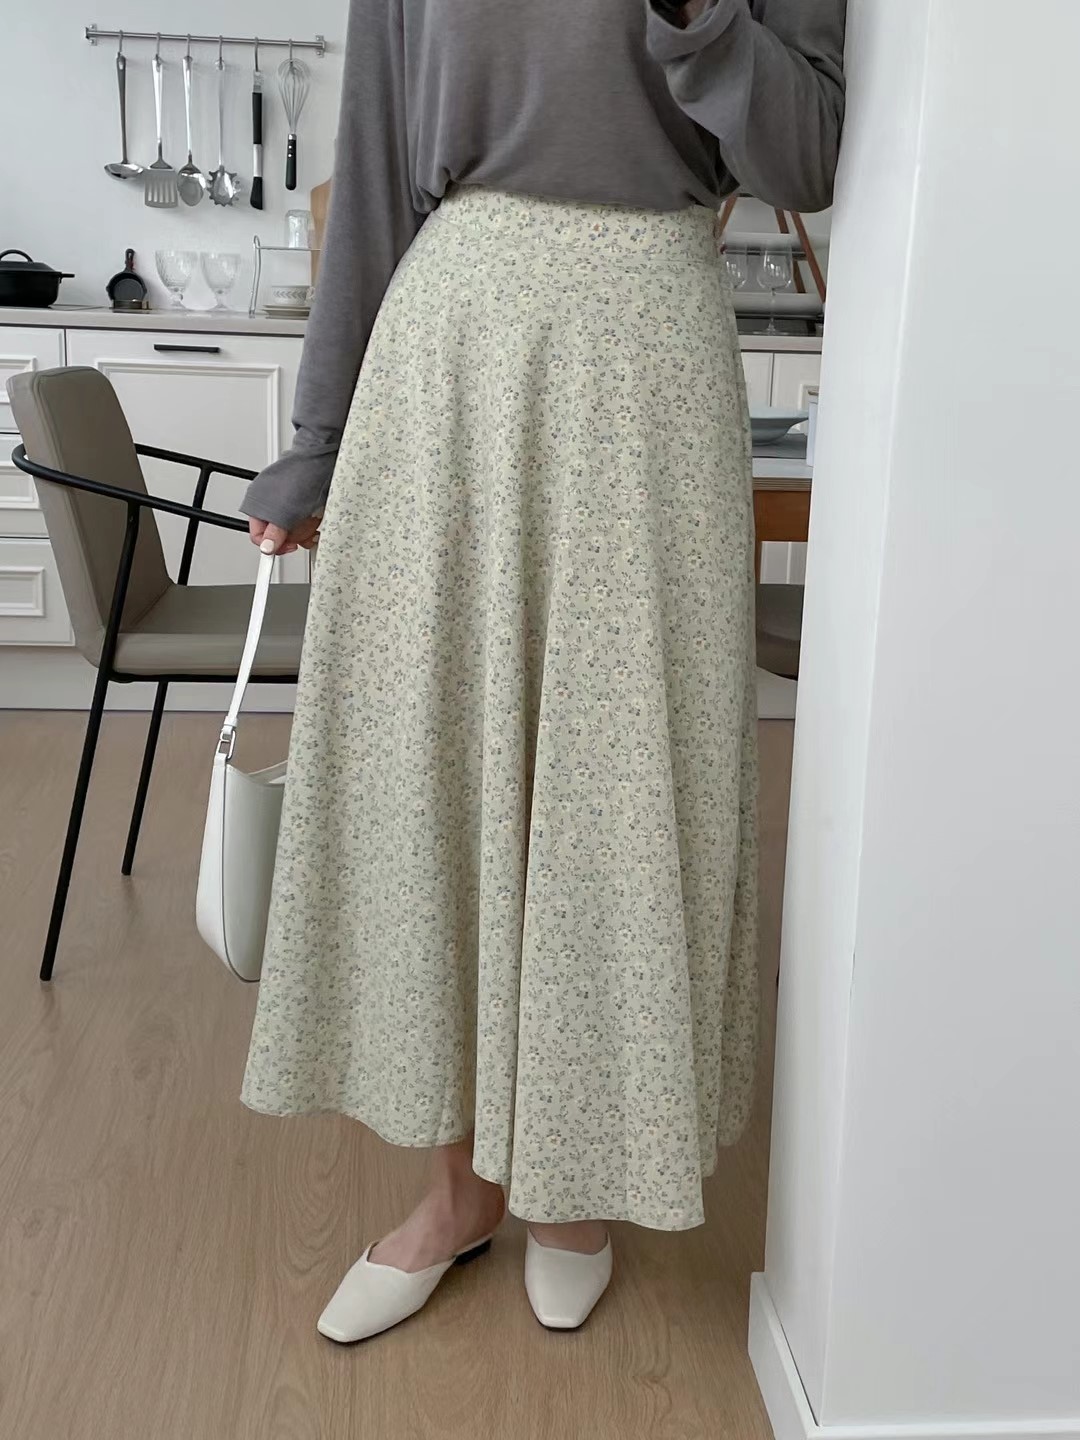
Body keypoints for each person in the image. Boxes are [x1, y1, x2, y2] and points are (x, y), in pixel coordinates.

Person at [239, 0, 846, 1341]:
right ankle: (457, 1193)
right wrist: (317, 440)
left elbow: (808, 157)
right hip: (450, 350)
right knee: (443, 771)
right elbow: (375, 169)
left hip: (652, 356)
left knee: (615, 788)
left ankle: (577, 1186)